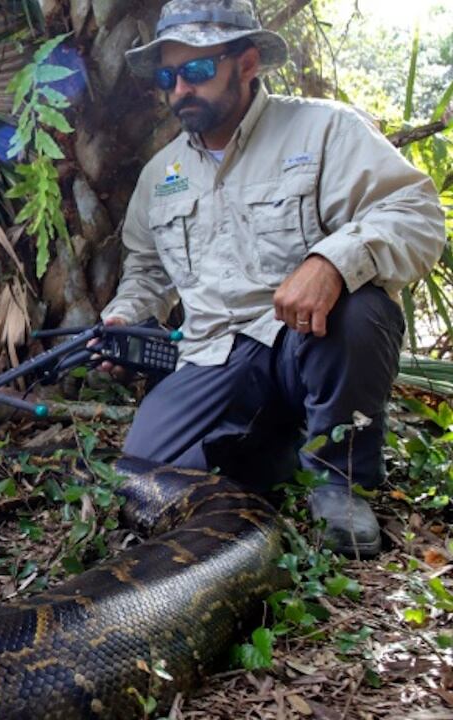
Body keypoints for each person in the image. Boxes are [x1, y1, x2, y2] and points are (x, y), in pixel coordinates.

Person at [103, 0, 445, 557]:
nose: (179, 91)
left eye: (196, 71)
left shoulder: (324, 128)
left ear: (247, 63)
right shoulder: (159, 175)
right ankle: (278, 455)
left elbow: (415, 213)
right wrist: (124, 316)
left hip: (303, 337)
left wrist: (333, 261)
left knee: (361, 310)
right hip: (213, 356)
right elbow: (145, 270)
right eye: (168, 77)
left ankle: (340, 480)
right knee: (140, 475)